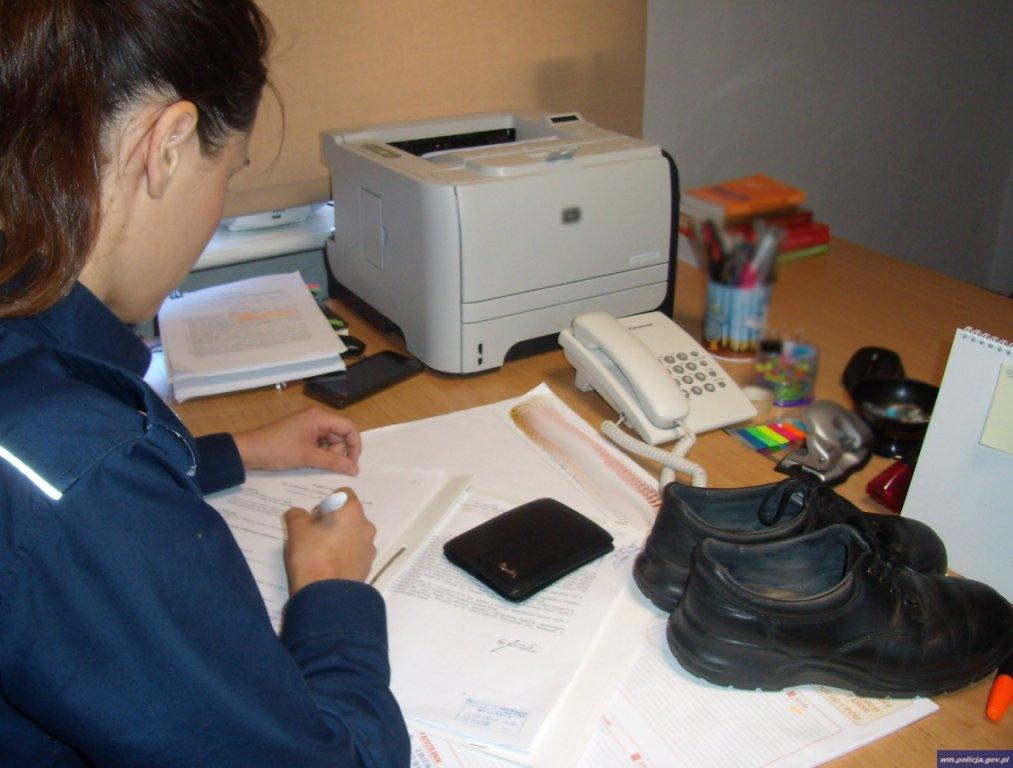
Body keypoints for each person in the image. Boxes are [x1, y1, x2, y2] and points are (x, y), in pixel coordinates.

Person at [0, 1, 410, 766]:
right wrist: (331, 592)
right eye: (229, 172)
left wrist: (236, 452)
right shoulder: (81, 476)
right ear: (169, 145)